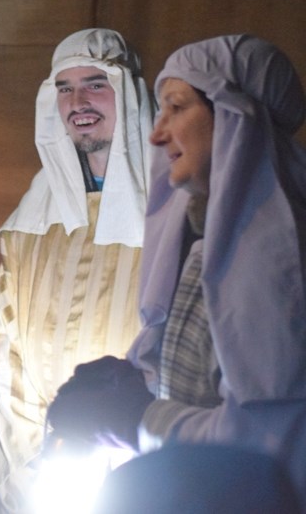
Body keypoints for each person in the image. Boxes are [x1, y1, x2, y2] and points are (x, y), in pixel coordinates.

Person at [47, 34, 306, 507]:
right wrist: (125, 383)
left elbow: (270, 441)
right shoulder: (203, 238)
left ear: (233, 118)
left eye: (177, 107)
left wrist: (139, 419)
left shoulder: (284, 260)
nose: (157, 132)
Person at [0, 28, 154, 512]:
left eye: (95, 83)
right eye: (65, 88)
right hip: (47, 462)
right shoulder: (33, 217)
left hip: (139, 455)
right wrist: (42, 447)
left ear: (128, 93)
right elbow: (4, 344)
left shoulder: (175, 209)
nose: (78, 101)